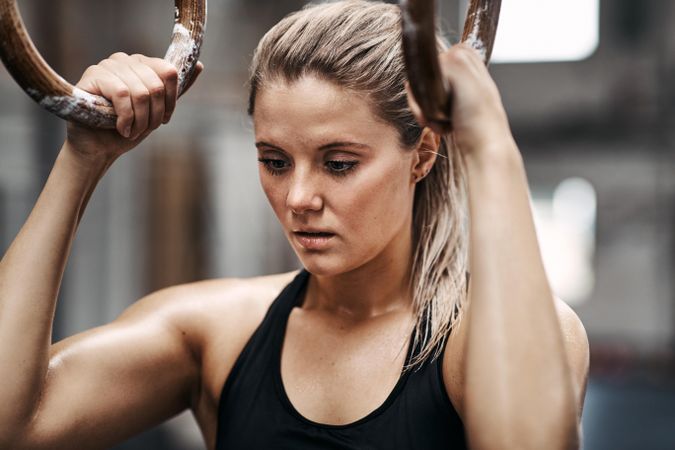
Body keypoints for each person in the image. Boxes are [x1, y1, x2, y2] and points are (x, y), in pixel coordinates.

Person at [0, 1, 589, 449]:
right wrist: (83, 157)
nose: (299, 198)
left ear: (424, 152)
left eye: (339, 164)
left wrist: (489, 146)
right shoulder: (218, 333)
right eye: (275, 162)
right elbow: (14, 424)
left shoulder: (492, 339)